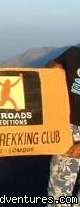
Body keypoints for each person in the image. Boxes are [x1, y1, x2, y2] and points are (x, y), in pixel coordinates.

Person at [47, 46, 80, 206]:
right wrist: (52, 73)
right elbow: (52, 68)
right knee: (58, 197)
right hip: (67, 131)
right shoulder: (72, 54)